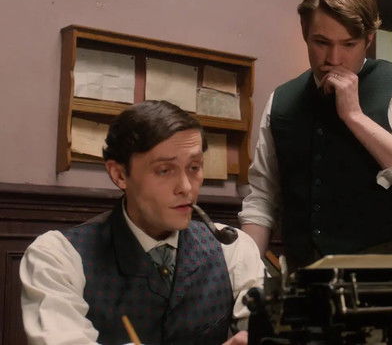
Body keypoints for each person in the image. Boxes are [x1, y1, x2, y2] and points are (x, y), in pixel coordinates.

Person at [239, 0, 392, 269]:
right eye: (321, 42)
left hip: (385, 280)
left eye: (349, 44)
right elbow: (262, 198)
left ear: (369, 39)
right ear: (304, 32)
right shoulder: (281, 100)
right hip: (303, 278)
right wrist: (244, 270)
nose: (334, 58)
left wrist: (355, 117)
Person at [20, 100, 264, 345]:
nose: (186, 187)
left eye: (194, 167)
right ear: (119, 174)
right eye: (164, 170)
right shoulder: (57, 256)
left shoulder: (233, 248)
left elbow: (265, 328)